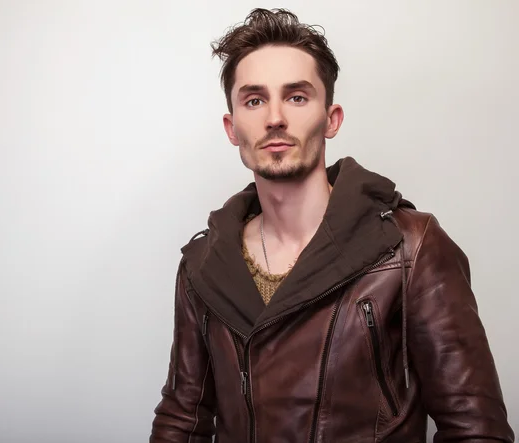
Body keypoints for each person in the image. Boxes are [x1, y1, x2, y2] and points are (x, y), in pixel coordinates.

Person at [149, 8, 514, 443]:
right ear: (233, 128)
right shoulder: (202, 266)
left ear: (332, 118)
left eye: (297, 97)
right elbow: (181, 420)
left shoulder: (411, 248)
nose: (275, 118)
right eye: (254, 99)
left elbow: (475, 430)